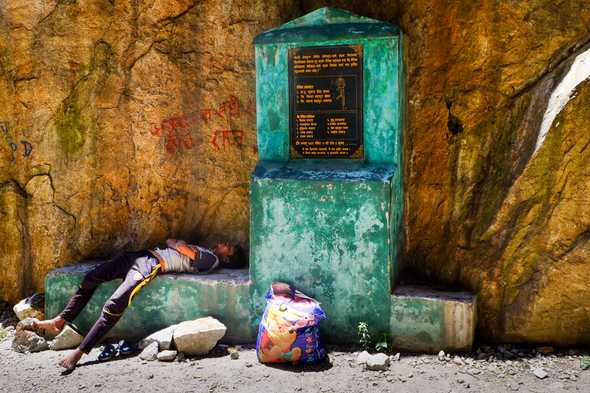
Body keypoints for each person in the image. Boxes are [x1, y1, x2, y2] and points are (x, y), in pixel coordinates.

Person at [32, 238, 247, 371]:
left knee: (114, 305)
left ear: (227, 260)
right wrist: (177, 245)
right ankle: (60, 320)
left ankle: (79, 352)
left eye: (230, 248)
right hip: (140, 256)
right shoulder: (206, 251)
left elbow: (178, 245)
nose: (225, 244)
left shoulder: (211, 259)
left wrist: (177, 245)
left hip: (150, 264)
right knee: (92, 277)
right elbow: (174, 242)